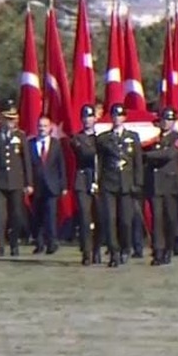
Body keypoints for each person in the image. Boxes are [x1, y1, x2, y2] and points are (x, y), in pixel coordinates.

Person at [0, 100, 33, 257]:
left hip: (16, 181)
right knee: (0, 214)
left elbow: (26, 162)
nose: (11, 122)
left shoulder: (21, 136)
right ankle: (0, 245)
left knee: (16, 214)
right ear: (2, 119)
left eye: (13, 119)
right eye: (8, 119)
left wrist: (29, 182)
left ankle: (14, 243)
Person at [96, 103, 143, 267]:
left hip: (126, 185)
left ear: (124, 118)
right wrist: (97, 182)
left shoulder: (133, 137)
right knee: (109, 219)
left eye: (120, 115)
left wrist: (138, 183)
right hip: (109, 183)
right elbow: (100, 163)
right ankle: (113, 252)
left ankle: (125, 247)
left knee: (125, 221)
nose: (117, 118)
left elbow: (137, 162)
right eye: (114, 115)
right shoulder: (103, 138)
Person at [143, 107, 178, 265]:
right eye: (164, 119)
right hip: (155, 184)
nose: (166, 123)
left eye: (169, 120)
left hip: (171, 184)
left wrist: (147, 155)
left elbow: (170, 155)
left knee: (170, 219)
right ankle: (158, 251)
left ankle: (169, 248)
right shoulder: (153, 138)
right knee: (156, 219)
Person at [29, 115, 66, 255]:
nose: (42, 129)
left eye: (45, 126)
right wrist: (28, 183)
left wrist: (63, 185)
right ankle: (39, 243)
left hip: (52, 185)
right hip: (36, 186)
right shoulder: (30, 143)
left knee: (51, 215)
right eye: (40, 126)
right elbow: (27, 166)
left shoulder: (56, 144)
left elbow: (61, 165)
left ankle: (52, 243)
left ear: (50, 127)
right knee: (37, 216)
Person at [70, 105, 101, 266]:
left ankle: (97, 250)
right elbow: (85, 154)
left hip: (99, 180)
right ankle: (87, 252)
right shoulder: (77, 138)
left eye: (90, 117)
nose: (87, 120)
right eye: (85, 117)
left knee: (99, 217)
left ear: (95, 118)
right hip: (83, 181)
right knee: (85, 217)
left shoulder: (101, 137)